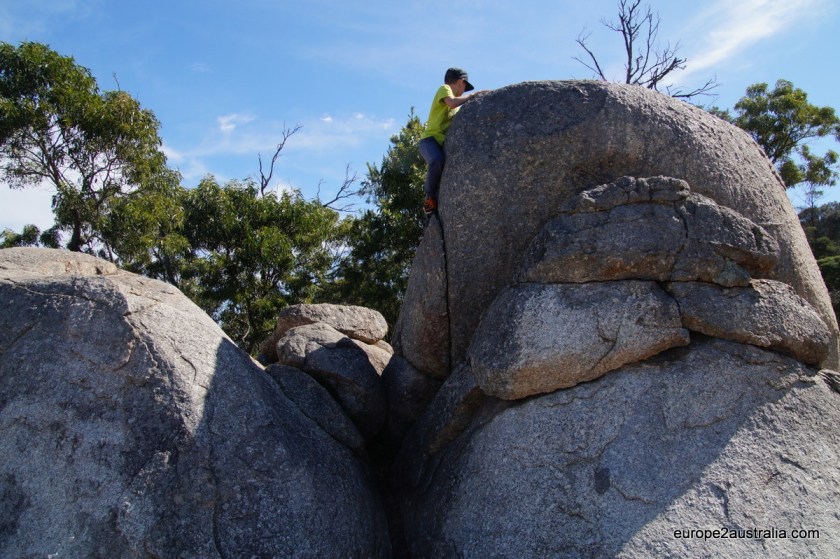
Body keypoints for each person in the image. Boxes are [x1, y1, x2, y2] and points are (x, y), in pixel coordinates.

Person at [418, 67, 485, 215]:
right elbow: (452, 103)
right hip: (428, 141)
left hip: (440, 142)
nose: (465, 91)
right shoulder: (445, 88)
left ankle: (435, 200)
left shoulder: (454, 105)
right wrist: (473, 96)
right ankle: (429, 198)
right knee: (436, 160)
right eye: (465, 88)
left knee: (441, 164)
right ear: (461, 82)